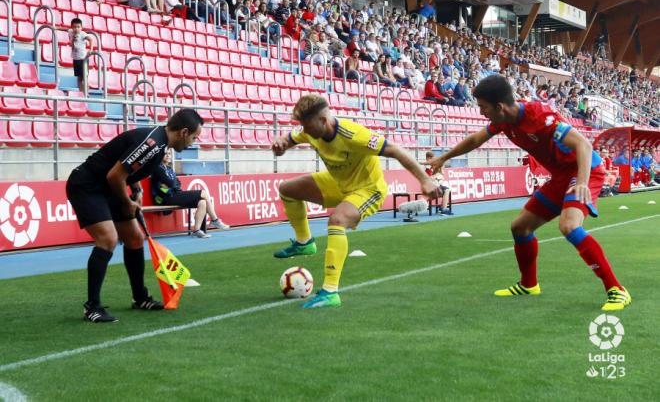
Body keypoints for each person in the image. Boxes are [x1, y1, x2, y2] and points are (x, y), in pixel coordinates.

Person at [426, 75, 631, 311]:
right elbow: (476, 139)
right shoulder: (503, 121)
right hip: (561, 176)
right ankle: (528, 284)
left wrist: (583, 182)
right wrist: (444, 158)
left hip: (585, 170)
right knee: (520, 227)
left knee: (569, 226)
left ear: (499, 107)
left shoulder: (541, 117)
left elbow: (583, 145)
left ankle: (617, 289)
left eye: (483, 107)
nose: (481, 112)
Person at [270, 94, 441, 309]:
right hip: (339, 183)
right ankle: (305, 243)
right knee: (287, 189)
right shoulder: (309, 131)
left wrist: (424, 180)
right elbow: (289, 139)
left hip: (367, 189)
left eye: (307, 125)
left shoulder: (353, 135)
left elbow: (395, 150)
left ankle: (330, 292)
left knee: (337, 220)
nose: (304, 130)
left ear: (323, 120)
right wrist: (281, 145)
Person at [66, 108, 204, 323]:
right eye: (194, 137)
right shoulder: (153, 144)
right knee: (108, 239)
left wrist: (137, 192)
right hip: (87, 185)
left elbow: (129, 170)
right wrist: (126, 202)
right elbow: (115, 175)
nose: (193, 143)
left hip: (108, 186)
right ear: (184, 132)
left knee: (134, 238)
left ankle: (139, 297)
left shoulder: (159, 145)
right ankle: (92, 307)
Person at [151, 149, 229, 237]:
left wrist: (171, 183)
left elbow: (177, 183)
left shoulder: (168, 169)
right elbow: (172, 183)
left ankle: (196, 230)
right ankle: (215, 220)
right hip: (166, 198)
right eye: (165, 154)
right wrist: (171, 183)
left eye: (169, 154)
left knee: (202, 202)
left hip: (174, 194)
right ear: (160, 156)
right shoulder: (158, 168)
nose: (168, 155)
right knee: (203, 193)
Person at [68, 18, 95, 92]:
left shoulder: (82, 34)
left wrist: (91, 49)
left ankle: (86, 92)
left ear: (81, 27)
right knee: (79, 77)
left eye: (78, 27)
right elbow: (64, 29)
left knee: (84, 77)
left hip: (83, 58)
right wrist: (56, 28)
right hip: (76, 58)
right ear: (72, 27)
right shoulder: (71, 32)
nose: (76, 29)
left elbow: (90, 39)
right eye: (74, 27)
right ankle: (81, 92)